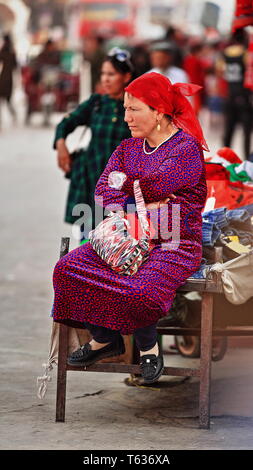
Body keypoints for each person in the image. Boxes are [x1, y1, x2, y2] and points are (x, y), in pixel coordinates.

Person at [52, 72, 208, 384]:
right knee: (66, 271)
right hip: (126, 236)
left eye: (134, 109)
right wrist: (144, 201)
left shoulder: (185, 148)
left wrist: (129, 186)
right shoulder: (128, 148)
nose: (126, 117)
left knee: (140, 290)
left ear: (158, 111)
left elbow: (157, 184)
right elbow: (103, 192)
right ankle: (104, 338)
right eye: (125, 109)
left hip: (174, 243)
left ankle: (148, 348)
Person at [54, 47, 134, 240]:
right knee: (88, 238)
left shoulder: (135, 106)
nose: (105, 79)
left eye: (111, 74)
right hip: (93, 180)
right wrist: (60, 144)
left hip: (122, 186)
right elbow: (66, 122)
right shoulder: (97, 103)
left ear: (126, 77)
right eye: (103, 74)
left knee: (119, 244)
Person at [0, 34, 17, 122]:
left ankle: (13, 114)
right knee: (7, 99)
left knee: (6, 99)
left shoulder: (4, 50)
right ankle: (13, 114)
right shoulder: (12, 51)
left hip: (4, 77)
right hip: (8, 77)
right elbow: (15, 66)